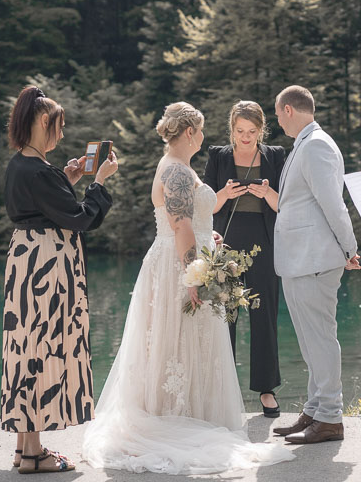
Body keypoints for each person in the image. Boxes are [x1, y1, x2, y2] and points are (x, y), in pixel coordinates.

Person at [82, 102, 294, 475]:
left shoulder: (175, 167)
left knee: (176, 342)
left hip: (178, 257)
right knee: (180, 339)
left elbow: (188, 223)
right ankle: (178, 416)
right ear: (190, 132)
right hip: (178, 266)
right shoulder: (178, 172)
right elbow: (179, 226)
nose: (202, 136)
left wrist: (204, 235)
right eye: (200, 130)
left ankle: (181, 409)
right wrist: (194, 274)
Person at [1, 84, 119, 474]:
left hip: (25, 260)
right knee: (43, 346)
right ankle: (34, 455)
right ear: (43, 121)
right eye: (59, 125)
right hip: (47, 267)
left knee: (27, 346)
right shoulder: (38, 171)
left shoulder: (22, 165)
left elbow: (48, 208)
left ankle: (26, 446)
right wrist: (99, 182)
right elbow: (80, 218)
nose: (63, 134)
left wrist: (65, 179)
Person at [271, 85, 360, 445]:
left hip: (314, 258)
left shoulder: (317, 145)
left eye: (278, 115)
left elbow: (332, 203)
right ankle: (314, 408)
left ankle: (330, 417)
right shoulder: (305, 144)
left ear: (289, 110)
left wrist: (350, 247)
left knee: (320, 339)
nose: (278, 121)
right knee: (310, 341)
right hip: (299, 257)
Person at [203, 100, 287, 417]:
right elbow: (205, 206)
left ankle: (266, 390)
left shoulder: (276, 155)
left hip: (265, 243)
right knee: (227, 315)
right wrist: (224, 194)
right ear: (232, 129)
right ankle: (223, 390)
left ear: (261, 130)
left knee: (264, 315)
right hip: (226, 242)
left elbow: (288, 206)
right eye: (240, 131)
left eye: (252, 131)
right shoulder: (218, 156)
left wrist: (268, 195)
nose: (246, 137)